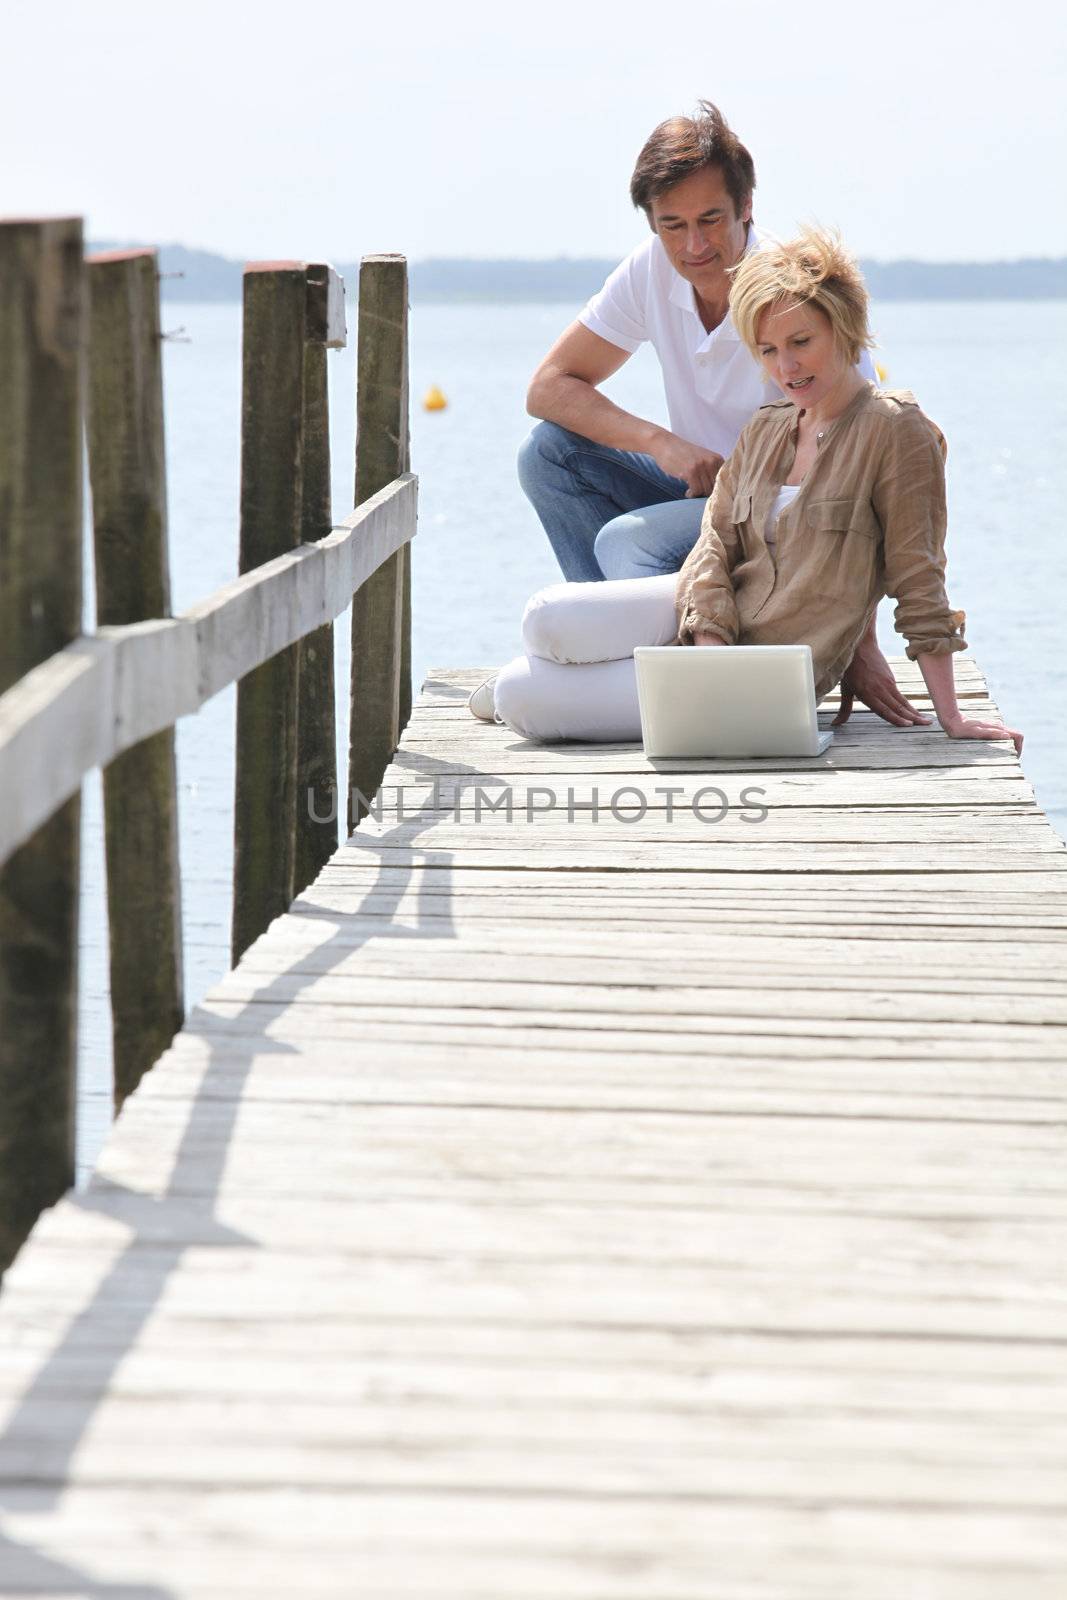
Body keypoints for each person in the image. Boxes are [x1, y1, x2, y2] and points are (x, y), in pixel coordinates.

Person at [491, 229, 1023, 755]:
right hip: (707, 637)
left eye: (801, 342)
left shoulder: (897, 431)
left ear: (844, 329)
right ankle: (585, 680)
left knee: (517, 693)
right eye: (767, 350)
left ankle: (541, 689)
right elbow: (714, 546)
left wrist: (950, 716)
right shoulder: (767, 427)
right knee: (544, 619)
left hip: (770, 675)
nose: (785, 367)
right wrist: (709, 648)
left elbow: (919, 575)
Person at [498, 100, 921, 729]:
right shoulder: (650, 269)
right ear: (652, 224)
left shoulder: (789, 287)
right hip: (699, 489)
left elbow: (861, 473)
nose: (694, 246)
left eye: (710, 219)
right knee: (547, 453)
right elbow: (549, 387)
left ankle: (656, 676)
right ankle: (616, 658)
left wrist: (858, 640)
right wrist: (661, 443)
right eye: (671, 225)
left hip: (778, 520)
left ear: (746, 207)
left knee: (625, 541)